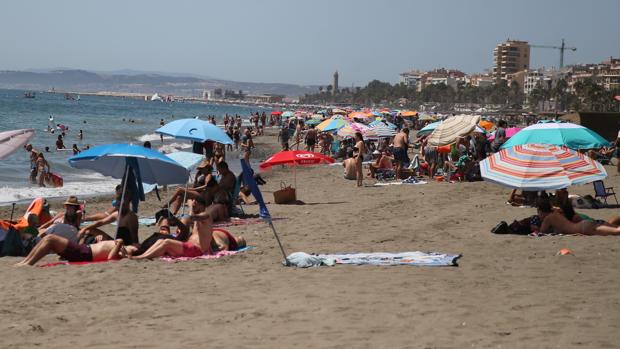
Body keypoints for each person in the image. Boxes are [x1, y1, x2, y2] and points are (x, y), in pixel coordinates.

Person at [130, 197, 216, 259]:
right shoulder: (197, 217)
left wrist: (190, 206)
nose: (193, 207)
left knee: (167, 242)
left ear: (201, 206)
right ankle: (142, 255)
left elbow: (192, 217)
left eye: (195, 205)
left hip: (196, 250)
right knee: (160, 240)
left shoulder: (206, 215)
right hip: (189, 246)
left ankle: (141, 257)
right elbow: (190, 218)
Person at [15, 235, 126, 266]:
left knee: (50, 239)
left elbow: (111, 258)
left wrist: (119, 243)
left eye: (135, 246)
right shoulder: (122, 247)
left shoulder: (124, 251)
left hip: (84, 253)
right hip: (85, 249)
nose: (134, 245)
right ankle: (25, 261)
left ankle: (28, 263)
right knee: (48, 238)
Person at [535, 198, 620, 236]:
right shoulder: (557, 213)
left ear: (541, 211)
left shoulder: (548, 218)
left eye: (539, 212)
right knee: (615, 230)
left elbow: (541, 232)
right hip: (584, 224)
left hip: (583, 228)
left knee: (616, 231)